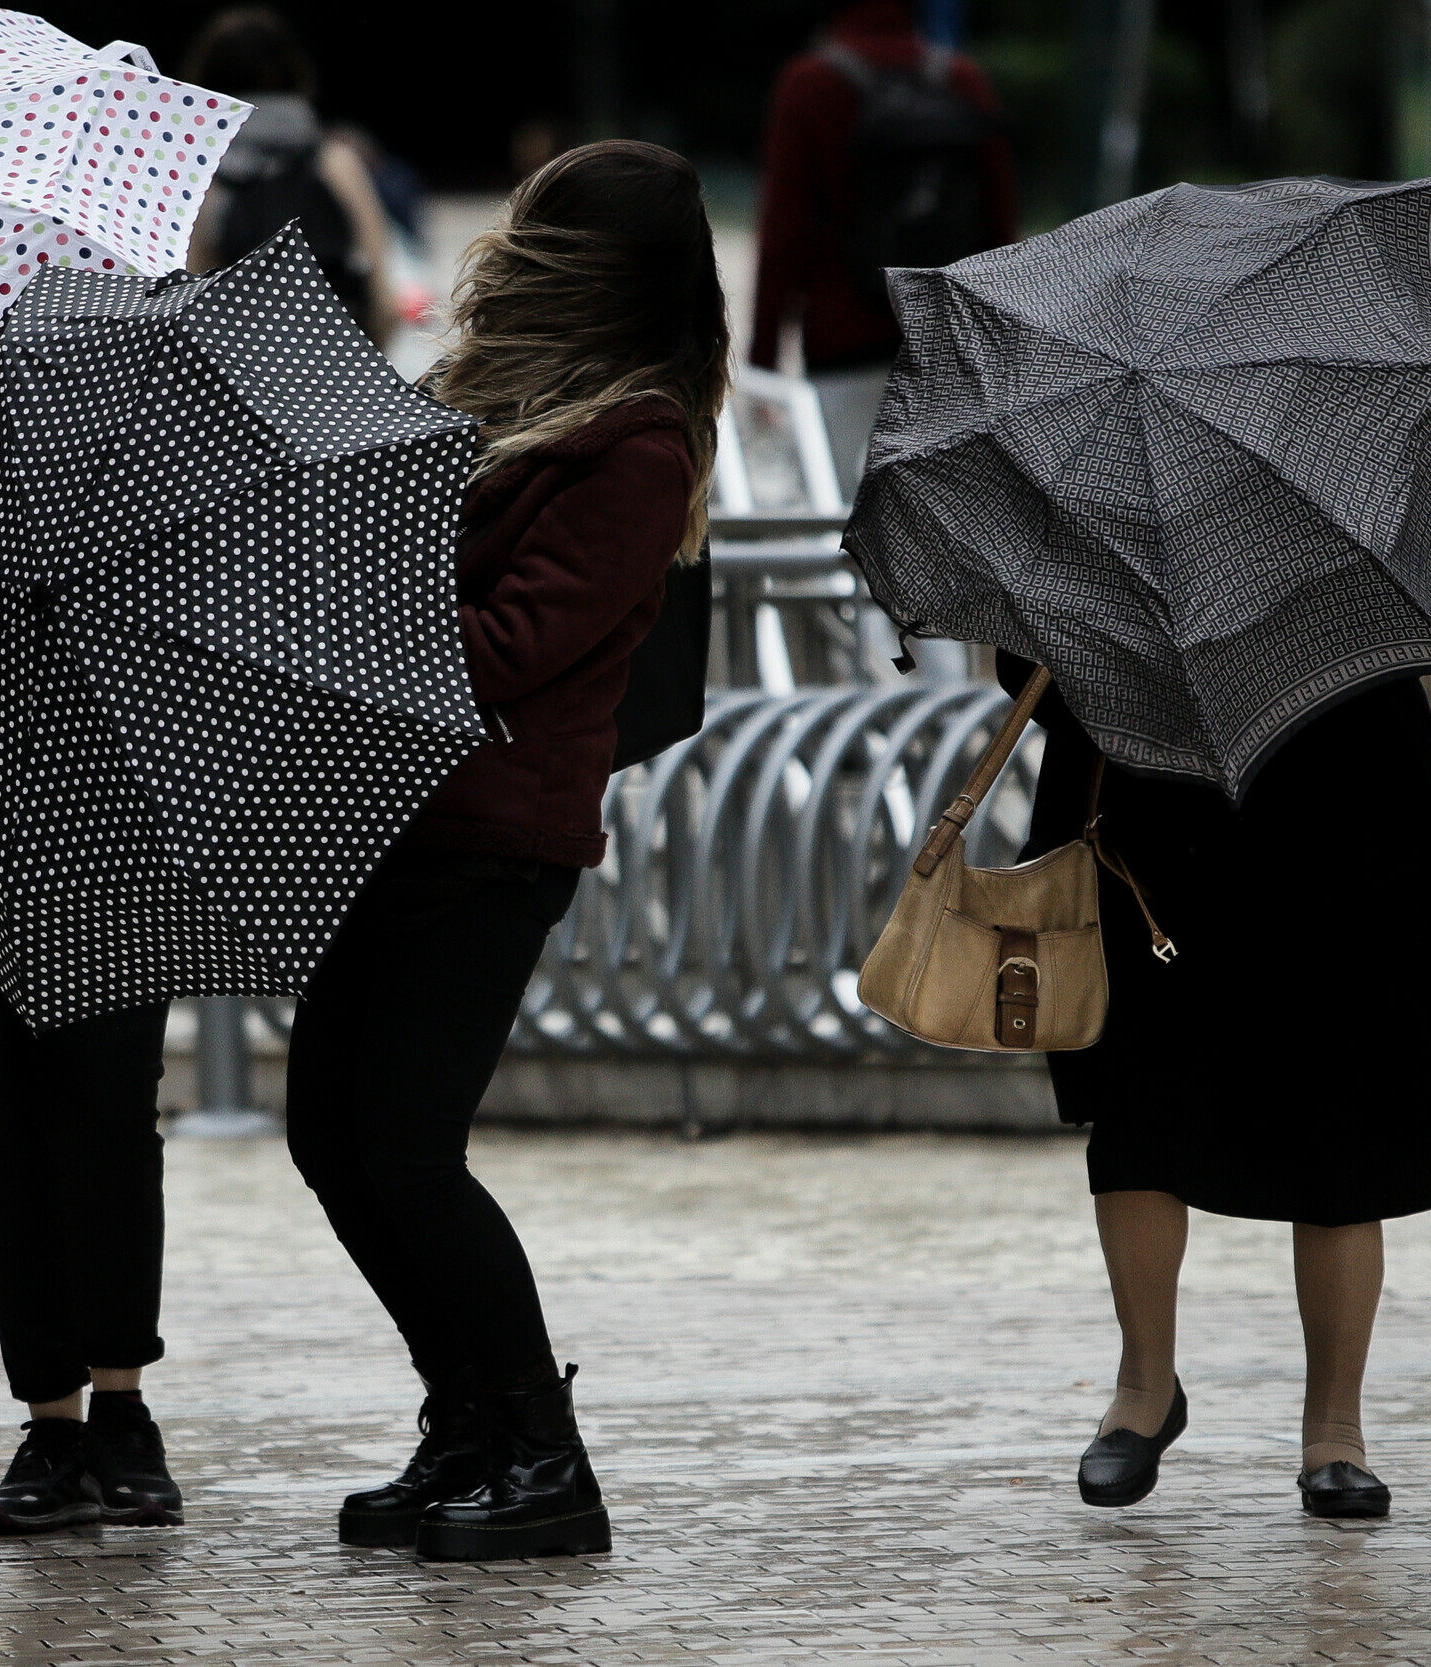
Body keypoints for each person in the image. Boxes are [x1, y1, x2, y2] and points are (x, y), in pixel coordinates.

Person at [287, 140, 729, 1562]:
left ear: (588, 265)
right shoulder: (496, 401)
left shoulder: (636, 443)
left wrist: (354, 588)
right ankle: (469, 1421)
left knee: (408, 1150)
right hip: (394, 818)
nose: (507, 249)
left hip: (489, 835)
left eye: (539, 230)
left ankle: (546, 1454)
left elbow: (511, 644)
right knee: (331, 1136)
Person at [994, 653, 1431, 1520]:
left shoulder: (1327, 569)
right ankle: (1143, 1389)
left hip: (1339, 792)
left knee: (1346, 1120)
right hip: (1142, 823)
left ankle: (1335, 1432)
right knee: (1138, 1109)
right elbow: (1030, 671)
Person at [0, 869, 184, 1535]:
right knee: (2, 1143)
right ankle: (53, 1430)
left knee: (112, 1126)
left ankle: (122, 1413)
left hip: (105, 849)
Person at [750, 0, 1016, 498]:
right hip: (943, 336)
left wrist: (763, 362)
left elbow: (784, 233)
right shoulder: (963, 79)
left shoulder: (809, 83)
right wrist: (999, 343)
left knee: (830, 503)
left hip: (840, 336)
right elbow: (1000, 228)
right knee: (932, 509)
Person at [183, 7, 401, 348]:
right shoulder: (334, 163)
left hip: (246, 365)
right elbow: (383, 302)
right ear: (293, 70)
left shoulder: (202, 177)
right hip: (337, 360)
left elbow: (193, 301)